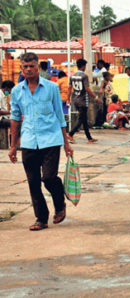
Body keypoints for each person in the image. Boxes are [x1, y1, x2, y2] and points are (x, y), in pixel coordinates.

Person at [8, 52, 74, 231]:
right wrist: (13, 146)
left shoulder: (51, 88)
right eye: (25, 66)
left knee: (49, 177)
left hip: (51, 139)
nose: (29, 70)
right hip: (29, 141)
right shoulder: (16, 91)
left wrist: (66, 143)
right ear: (21, 68)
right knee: (33, 182)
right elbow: (15, 118)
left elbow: (60, 116)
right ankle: (41, 219)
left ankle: (59, 204)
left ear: (38, 68)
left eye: (32, 66)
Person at [68, 59, 101, 143]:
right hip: (83, 100)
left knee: (84, 119)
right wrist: (96, 97)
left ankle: (89, 138)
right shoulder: (84, 76)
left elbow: (69, 88)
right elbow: (87, 88)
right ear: (83, 66)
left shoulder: (72, 76)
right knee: (81, 119)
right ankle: (70, 134)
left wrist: (68, 99)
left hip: (75, 99)